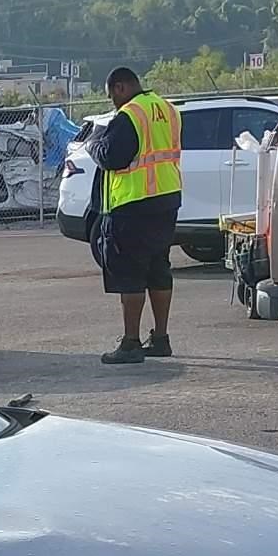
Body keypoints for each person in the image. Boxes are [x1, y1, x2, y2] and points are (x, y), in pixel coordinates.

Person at [83, 66, 184, 365]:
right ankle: (161, 338)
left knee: (131, 273)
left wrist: (93, 145)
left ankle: (130, 343)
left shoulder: (129, 115)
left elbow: (112, 157)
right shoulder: (168, 109)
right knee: (159, 268)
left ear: (121, 87)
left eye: (112, 95)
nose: (114, 102)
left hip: (134, 204)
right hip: (166, 199)